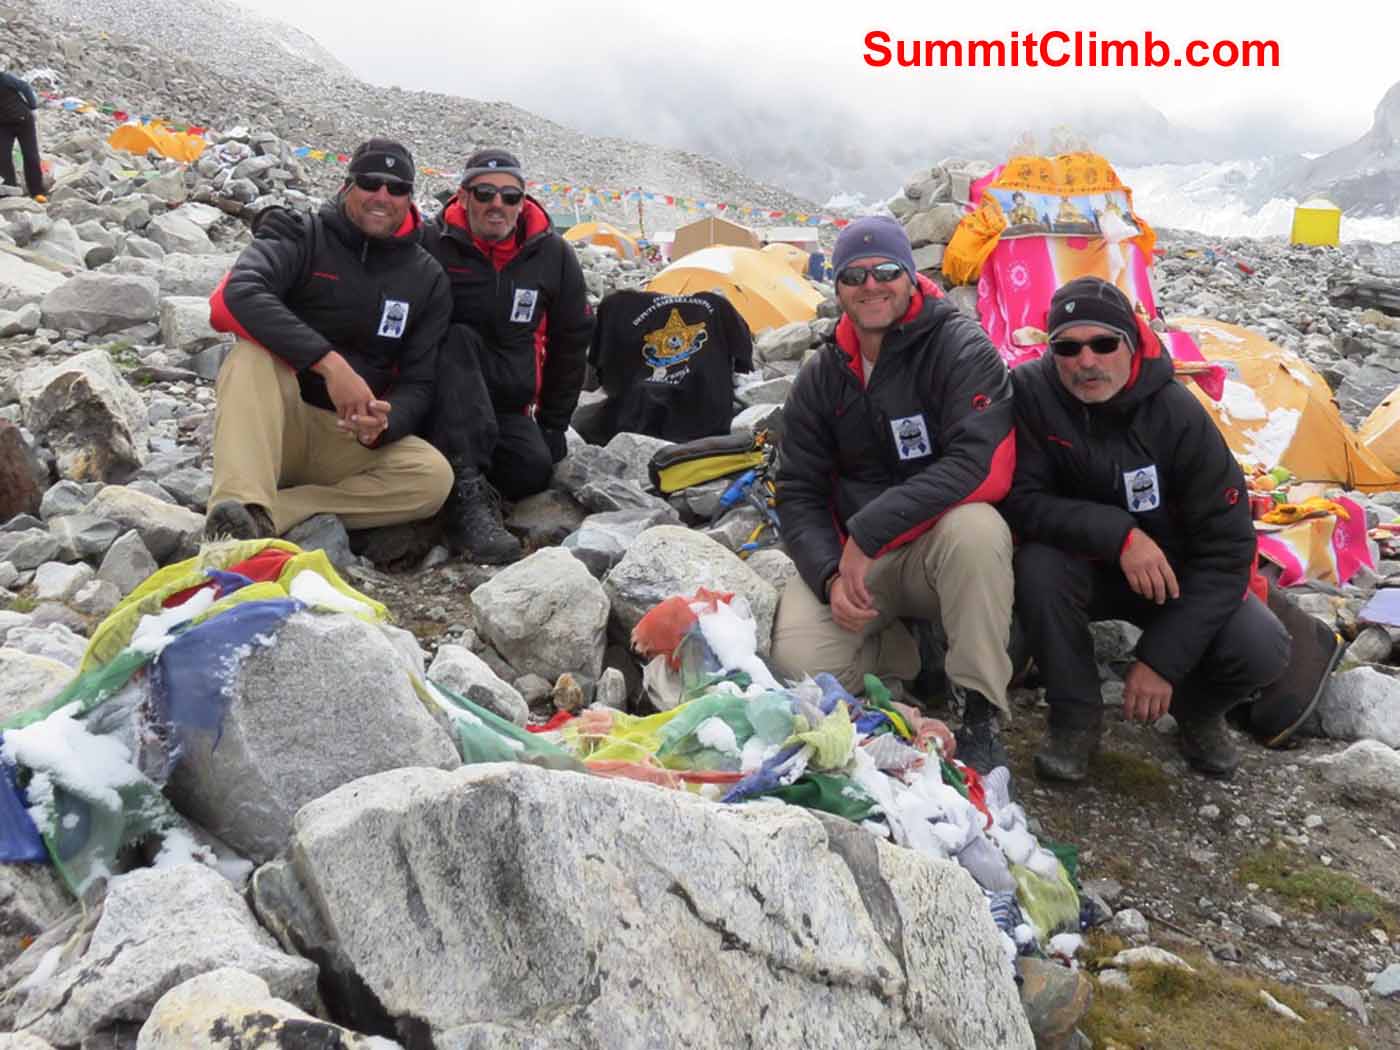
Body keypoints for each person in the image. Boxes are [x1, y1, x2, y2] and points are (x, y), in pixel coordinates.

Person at [1002, 276, 1290, 782]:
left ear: (1130, 343)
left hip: (1172, 579)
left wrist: (1161, 661)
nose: (1086, 361)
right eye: (1067, 347)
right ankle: (1075, 720)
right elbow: (1020, 500)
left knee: (1262, 646)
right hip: (1083, 569)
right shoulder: (1031, 394)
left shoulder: (1179, 415)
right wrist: (1119, 535)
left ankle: (1197, 712)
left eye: (1103, 343)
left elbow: (1227, 552)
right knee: (1037, 566)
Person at [771, 215, 1017, 774]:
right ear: (836, 288)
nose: (870, 285)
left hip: (937, 553)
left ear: (910, 277)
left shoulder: (959, 348)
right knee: (795, 663)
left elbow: (982, 465)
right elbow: (798, 491)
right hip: (861, 568)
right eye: (853, 276)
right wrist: (830, 574)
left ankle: (978, 710)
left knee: (979, 529)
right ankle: (904, 654)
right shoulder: (822, 374)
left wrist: (867, 531)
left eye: (885, 270)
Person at [203, 137, 454, 541]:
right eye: (371, 182)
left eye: (397, 188)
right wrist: (330, 364)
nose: (382, 196)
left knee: (432, 478)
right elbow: (241, 292)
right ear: (348, 185)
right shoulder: (302, 233)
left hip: (345, 436)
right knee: (250, 357)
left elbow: (420, 381)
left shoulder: (426, 277)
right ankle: (239, 507)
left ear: (410, 198)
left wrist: (385, 423)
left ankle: (268, 515)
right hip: (278, 421)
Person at [419, 148, 591, 560]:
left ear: (523, 201)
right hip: (443, 399)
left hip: (508, 405)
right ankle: (465, 494)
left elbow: (572, 338)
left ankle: (458, 481)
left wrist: (553, 425)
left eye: (509, 196)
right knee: (457, 334)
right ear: (463, 197)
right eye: (484, 193)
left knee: (531, 471)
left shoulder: (552, 254)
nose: (497, 204)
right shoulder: (431, 242)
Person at [573, 288, 752, 445]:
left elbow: (597, 375)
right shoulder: (717, 305)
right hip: (706, 414)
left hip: (637, 412)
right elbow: (742, 357)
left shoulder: (616, 307)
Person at [0, 69, 44, 200]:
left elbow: (24, 87)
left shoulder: (4, 78)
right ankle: (9, 191)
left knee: (31, 156)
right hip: (3, 126)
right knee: (3, 157)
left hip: (23, 121)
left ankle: (37, 192)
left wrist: (34, 107)